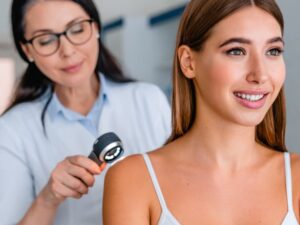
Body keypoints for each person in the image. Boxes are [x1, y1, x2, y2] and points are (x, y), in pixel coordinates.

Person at [103, 0, 300, 224]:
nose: (260, 74)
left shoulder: (297, 178)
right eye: (236, 51)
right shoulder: (134, 180)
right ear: (188, 62)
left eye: (273, 51)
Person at [0, 0, 171, 225]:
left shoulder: (148, 99)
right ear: (27, 50)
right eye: (46, 40)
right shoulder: (13, 130)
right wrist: (49, 198)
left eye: (78, 29)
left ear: (96, 28)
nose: (68, 51)